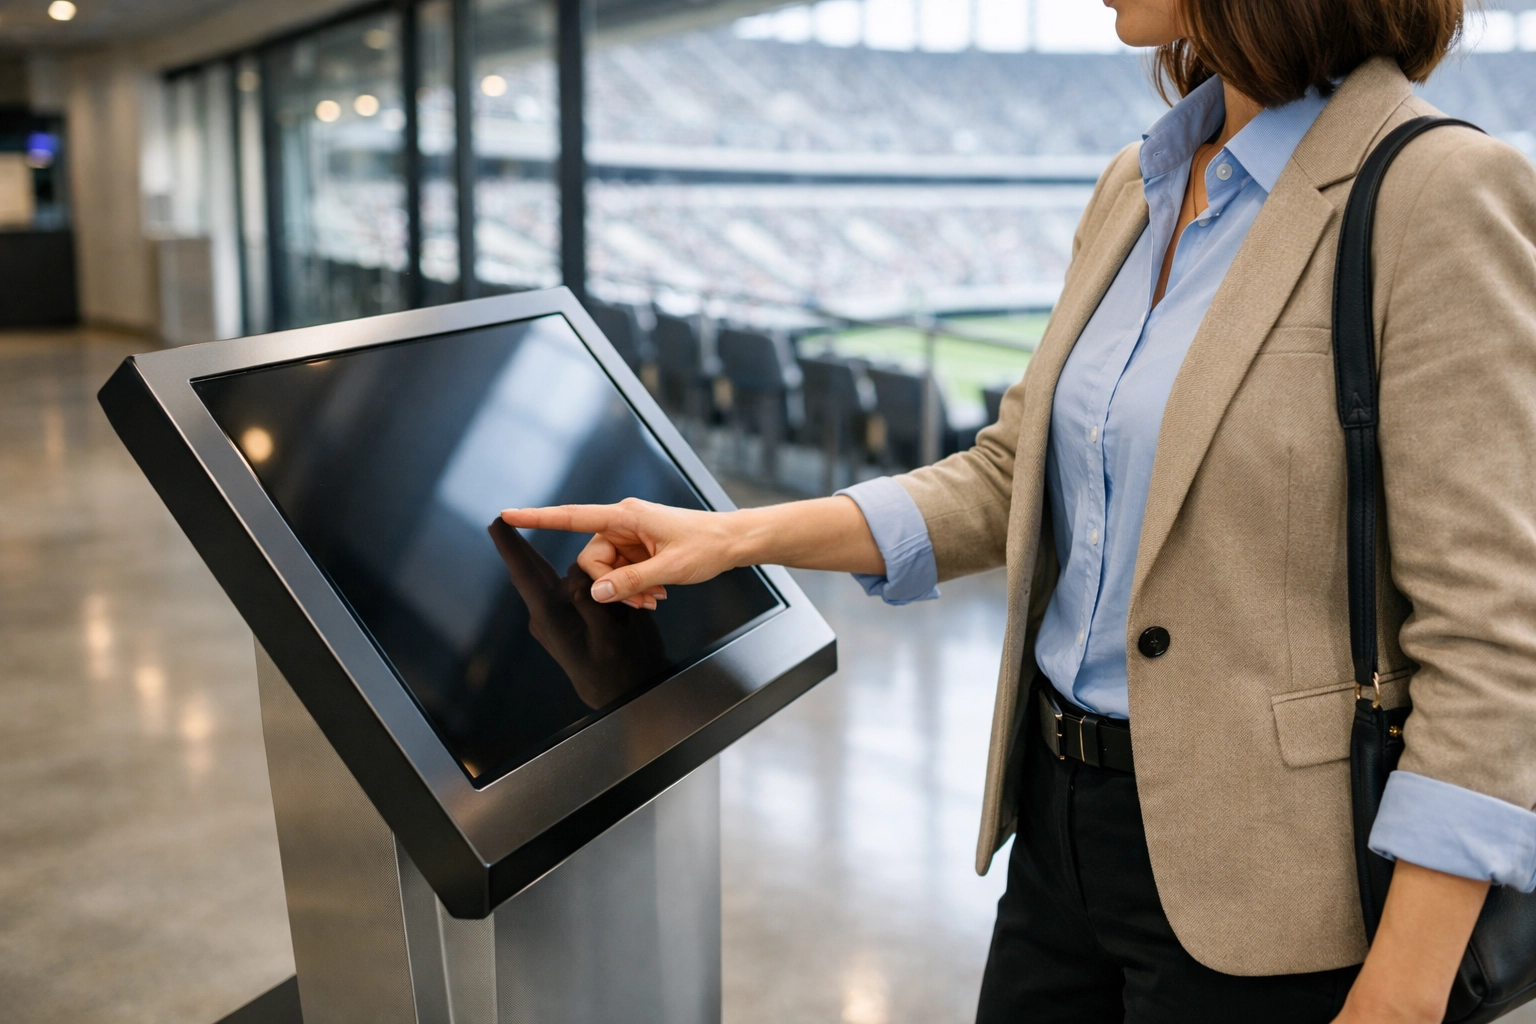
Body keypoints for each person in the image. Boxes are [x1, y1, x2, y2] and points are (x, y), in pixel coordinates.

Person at [501, 0, 1536, 1019]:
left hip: (1275, 884)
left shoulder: (1437, 191)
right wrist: (735, 535)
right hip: (1057, 826)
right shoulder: (1137, 184)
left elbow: (1497, 637)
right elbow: (1014, 472)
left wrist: (1402, 995)